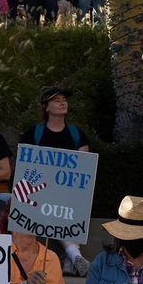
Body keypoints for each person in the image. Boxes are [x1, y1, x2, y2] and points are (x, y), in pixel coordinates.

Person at [18, 86, 93, 274]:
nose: (62, 102)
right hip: (40, 192)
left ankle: (70, 259)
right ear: (46, 107)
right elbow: (25, 169)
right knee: (55, 203)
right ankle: (74, 255)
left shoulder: (77, 134)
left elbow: (83, 169)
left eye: (64, 100)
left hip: (69, 194)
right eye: (56, 100)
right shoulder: (33, 134)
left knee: (68, 202)